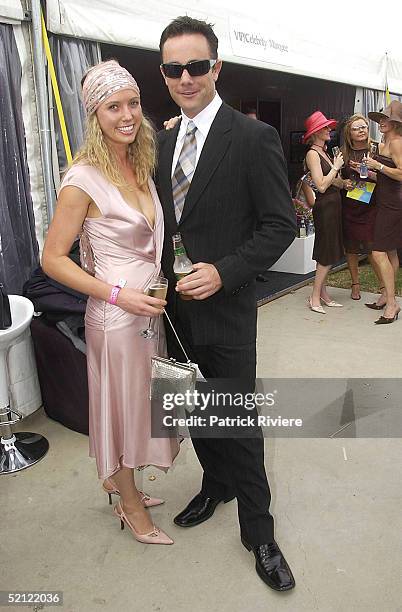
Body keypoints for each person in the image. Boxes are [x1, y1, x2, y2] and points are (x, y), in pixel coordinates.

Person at [156, 16, 297, 592]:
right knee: (196, 410)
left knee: (239, 420)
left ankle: (259, 534)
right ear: (163, 74)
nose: (186, 77)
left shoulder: (252, 136)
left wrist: (226, 271)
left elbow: (279, 225)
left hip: (228, 307)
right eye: (174, 68)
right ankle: (216, 485)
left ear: (217, 68)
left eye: (196, 66)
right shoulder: (161, 142)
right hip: (174, 312)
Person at [42, 60, 179, 545]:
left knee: (140, 407)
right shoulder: (82, 179)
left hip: (148, 313)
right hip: (116, 317)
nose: (127, 115)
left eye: (134, 103)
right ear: (94, 115)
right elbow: (53, 259)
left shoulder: (139, 164)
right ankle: (130, 504)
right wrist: (118, 294)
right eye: (113, 106)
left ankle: (122, 483)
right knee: (121, 413)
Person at [303, 111, 345, 313]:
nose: (330, 130)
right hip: (325, 207)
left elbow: (331, 181)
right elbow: (320, 185)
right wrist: (336, 167)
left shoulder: (324, 152)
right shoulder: (312, 154)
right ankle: (314, 297)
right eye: (326, 127)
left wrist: (344, 182)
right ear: (317, 132)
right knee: (326, 254)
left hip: (333, 205)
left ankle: (323, 294)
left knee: (328, 251)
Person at [364, 100, 402, 323]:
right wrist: (371, 173)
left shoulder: (397, 142)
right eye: (380, 119)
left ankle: (392, 303)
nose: (380, 123)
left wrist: (378, 166)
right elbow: (387, 176)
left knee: (378, 252)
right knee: (390, 253)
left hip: (394, 205)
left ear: (396, 123)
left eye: (385, 119)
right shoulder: (384, 142)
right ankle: (387, 296)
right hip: (385, 200)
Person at [341, 114, 380, 300]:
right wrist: (344, 182)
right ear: (349, 133)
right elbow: (337, 177)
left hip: (373, 205)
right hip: (350, 205)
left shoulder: (376, 149)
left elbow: (388, 177)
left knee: (373, 246)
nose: (362, 130)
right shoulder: (343, 152)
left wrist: (370, 172)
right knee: (351, 247)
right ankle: (355, 284)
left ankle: (383, 286)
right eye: (356, 128)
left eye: (364, 126)